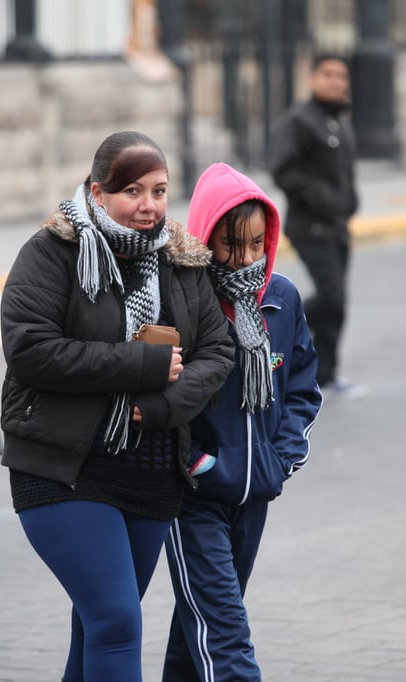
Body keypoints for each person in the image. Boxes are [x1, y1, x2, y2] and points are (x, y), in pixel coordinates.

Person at [0, 130, 236, 681]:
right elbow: (30, 351)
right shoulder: (51, 252)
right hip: (65, 467)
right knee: (116, 623)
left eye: (158, 191)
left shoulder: (182, 258)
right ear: (97, 190)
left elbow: (216, 351)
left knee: (97, 627)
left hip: (152, 470)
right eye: (132, 191)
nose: (148, 205)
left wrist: (156, 408)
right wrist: (141, 365)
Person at [163, 162, 322, 681]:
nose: (247, 258)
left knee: (199, 636)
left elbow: (301, 386)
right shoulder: (183, 301)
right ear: (207, 237)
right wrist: (198, 463)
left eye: (257, 243)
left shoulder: (282, 298)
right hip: (195, 497)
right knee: (225, 635)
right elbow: (164, 394)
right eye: (232, 244)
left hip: (255, 495)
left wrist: (284, 457)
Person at [269, 53, 367, 397]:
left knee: (338, 305)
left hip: (338, 226)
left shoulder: (340, 120)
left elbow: (345, 174)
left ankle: (325, 375)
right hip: (310, 226)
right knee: (331, 297)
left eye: (341, 76)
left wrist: (350, 204)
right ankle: (277, 326)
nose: (335, 82)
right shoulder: (299, 120)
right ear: (313, 78)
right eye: (328, 75)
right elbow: (283, 170)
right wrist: (322, 201)